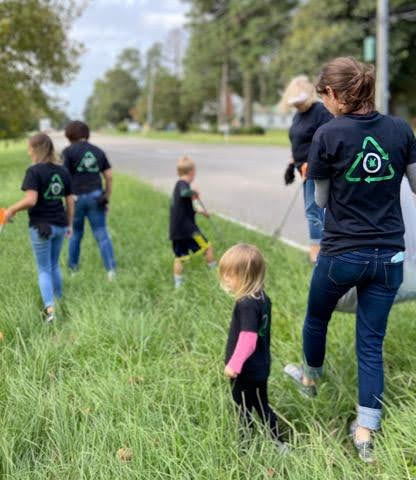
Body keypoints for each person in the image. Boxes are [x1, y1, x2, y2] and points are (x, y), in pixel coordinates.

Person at [284, 57, 416, 463]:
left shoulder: (327, 134)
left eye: (325, 95)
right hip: (391, 254)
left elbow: (321, 200)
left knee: (316, 317)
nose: (325, 102)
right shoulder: (399, 129)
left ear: (337, 95)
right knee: (371, 344)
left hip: (342, 253)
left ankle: (310, 378)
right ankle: (365, 432)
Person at [5, 134, 74, 323]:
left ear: (36, 149)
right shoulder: (62, 171)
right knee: (53, 265)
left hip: (41, 226)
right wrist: (69, 224)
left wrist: (11, 209)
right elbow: (69, 201)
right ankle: (59, 301)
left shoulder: (34, 171)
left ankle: (50, 311)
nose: (28, 152)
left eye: (29, 148)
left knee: (44, 269)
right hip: (59, 224)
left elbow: (31, 200)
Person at [220, 244, 282, 448]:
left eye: (230, 274)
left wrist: (234, 365)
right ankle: (278, 443)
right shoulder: (263, 298)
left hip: (244, 370)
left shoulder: (246, 303)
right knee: (262, 405)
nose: (225, 279)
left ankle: (246, 446)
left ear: (246, 275)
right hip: (261, 366)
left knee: (243, 409)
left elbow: (248, 339)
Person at [280, 75, 333, 263]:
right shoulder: (298, 115)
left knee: (314, 211)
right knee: (313, 210)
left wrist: (311, 163)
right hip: (302, 168)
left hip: (316, 169)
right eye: (294, 104)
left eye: (300, 102)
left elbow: (325, 140)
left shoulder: (320, 111)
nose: (297, 106)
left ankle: (317, 256)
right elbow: (298, 141)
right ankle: (320, 253)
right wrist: (291, 163)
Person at [62, 121, 116, 280]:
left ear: (70, 135)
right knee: (101, 233)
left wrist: (67, 202)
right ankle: (111, 270)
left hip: (76, 198)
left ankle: (72, 270)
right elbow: (109, 176)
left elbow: (64, 177)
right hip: (96, 197)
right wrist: (106, 196)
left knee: (75, 234)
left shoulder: (68, 152)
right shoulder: (98, 151)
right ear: (86, 134)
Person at [169, 156, 216, 288]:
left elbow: (190, 206)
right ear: (191, 172)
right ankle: (215, 275)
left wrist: (203, 212)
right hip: (189, 230)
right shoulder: (182, 184)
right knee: (207, 247)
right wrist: (194, 191)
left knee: (179, 257)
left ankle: (178, 285)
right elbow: (185, 193)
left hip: (176, 231)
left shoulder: (177, 187)